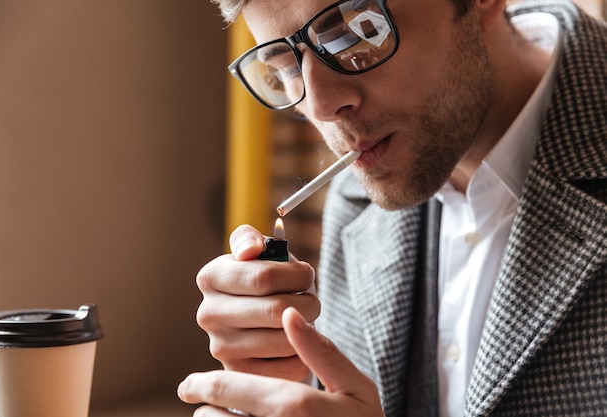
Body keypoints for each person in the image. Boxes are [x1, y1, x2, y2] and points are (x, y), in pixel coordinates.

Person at [178, 0, 607, 415]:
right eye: (286, 65)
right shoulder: (358, 196)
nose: (322, 106)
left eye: (358, 31)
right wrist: (290, 384)